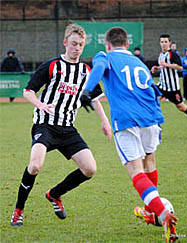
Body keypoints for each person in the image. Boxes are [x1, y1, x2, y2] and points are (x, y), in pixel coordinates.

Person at [80, 27, 178, 242]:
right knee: (149, 164)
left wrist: (87, 90)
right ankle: (150, 211)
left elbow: (98, 67)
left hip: (125, 120)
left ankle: (163, 214)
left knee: (136, 172)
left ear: (108, 44)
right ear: (126, 44)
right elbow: (154, 90)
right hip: (151, 118)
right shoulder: (138, 61)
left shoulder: (104, 56)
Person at [10, 24, 112, 227]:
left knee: (90, 169)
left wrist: (104, 121)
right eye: (74, 44)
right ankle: (18, 211)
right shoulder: (52, 65)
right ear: (66, 42)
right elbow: (28, 91)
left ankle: (55, 194)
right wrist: (41, 105)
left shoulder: (85, 70)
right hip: (45, 125)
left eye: (81, 45)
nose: (77, 48)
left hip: (67, 128)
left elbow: (94, 98)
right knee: (35, 165)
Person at [151, 34, 187, 135]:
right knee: (151, 100)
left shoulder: (172, 54)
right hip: (162, 85)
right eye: (162, 42)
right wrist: (157, 68)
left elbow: (180, 67)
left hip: (172, 87)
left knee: (181, 106)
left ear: (169, 43)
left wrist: (166, 65)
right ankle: (154, 126)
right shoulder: (161, 54)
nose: (163, 44)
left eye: (165, 42)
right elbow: (164, 67)